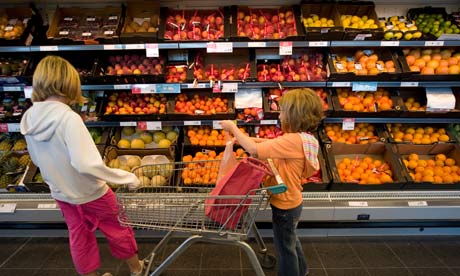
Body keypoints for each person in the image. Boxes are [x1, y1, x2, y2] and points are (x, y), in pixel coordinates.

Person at [20, 56, 144, 276]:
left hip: (62, 193)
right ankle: (136, 269)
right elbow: (86, 164)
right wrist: (127, 178)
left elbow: (37, 160)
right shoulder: (68, 118)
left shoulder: (29, 117)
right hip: (92, 192)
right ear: (69, 83)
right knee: (118, 228)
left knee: (78, 234)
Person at [220, 88, 323, 276]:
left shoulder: (292, 141)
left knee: (285, 248)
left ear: (294, 115)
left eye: (282, 112)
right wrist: (243, 139)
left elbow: (254, 150)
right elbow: (262, 144)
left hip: (285, 205)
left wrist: (234, 127)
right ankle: (303, 270)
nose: (280, 116)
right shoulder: (302, 139)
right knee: (291, 239)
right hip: (292, 202)